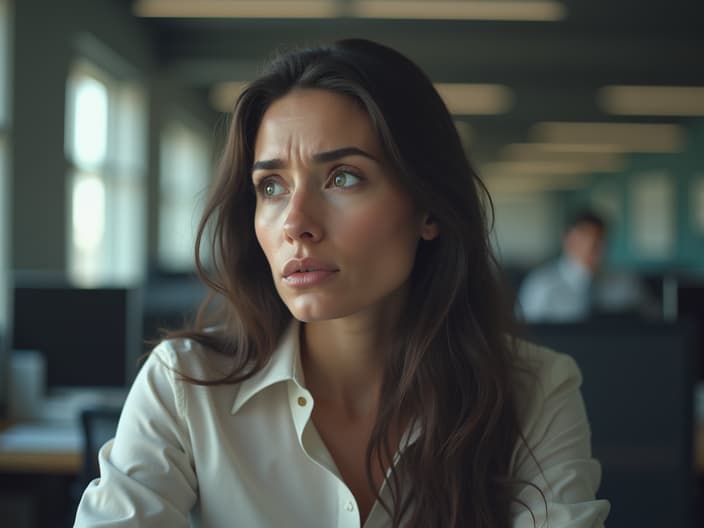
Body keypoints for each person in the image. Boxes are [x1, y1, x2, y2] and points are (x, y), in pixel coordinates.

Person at [74, 39, 609, 527]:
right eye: (272, 186)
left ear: (428, 208)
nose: (296, 223)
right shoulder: (186, 385)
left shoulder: (533, 390)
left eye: (343, 177)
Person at [517, 209, 658, 322]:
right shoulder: (541, 285)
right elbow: (524, 338)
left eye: (599, 240)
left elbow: (655, 325)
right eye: (585, 239)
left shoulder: (626, 284)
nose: (592, 247)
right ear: (567, 240)